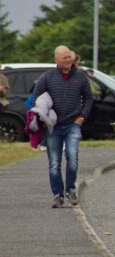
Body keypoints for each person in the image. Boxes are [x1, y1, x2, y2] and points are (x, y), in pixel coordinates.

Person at [32, 45, 93, 208]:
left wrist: (82, 117)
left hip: (73, 124)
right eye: (64, 57)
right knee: (54, 162)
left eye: (69, 56)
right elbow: (35, 99)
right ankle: (57, 194)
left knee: (72, 157)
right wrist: (43, 117)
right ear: (56, 60)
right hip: (53, 126)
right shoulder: (47, 77)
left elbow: (88, 99)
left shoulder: (81, 77)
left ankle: (70, 190)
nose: (68, 60)